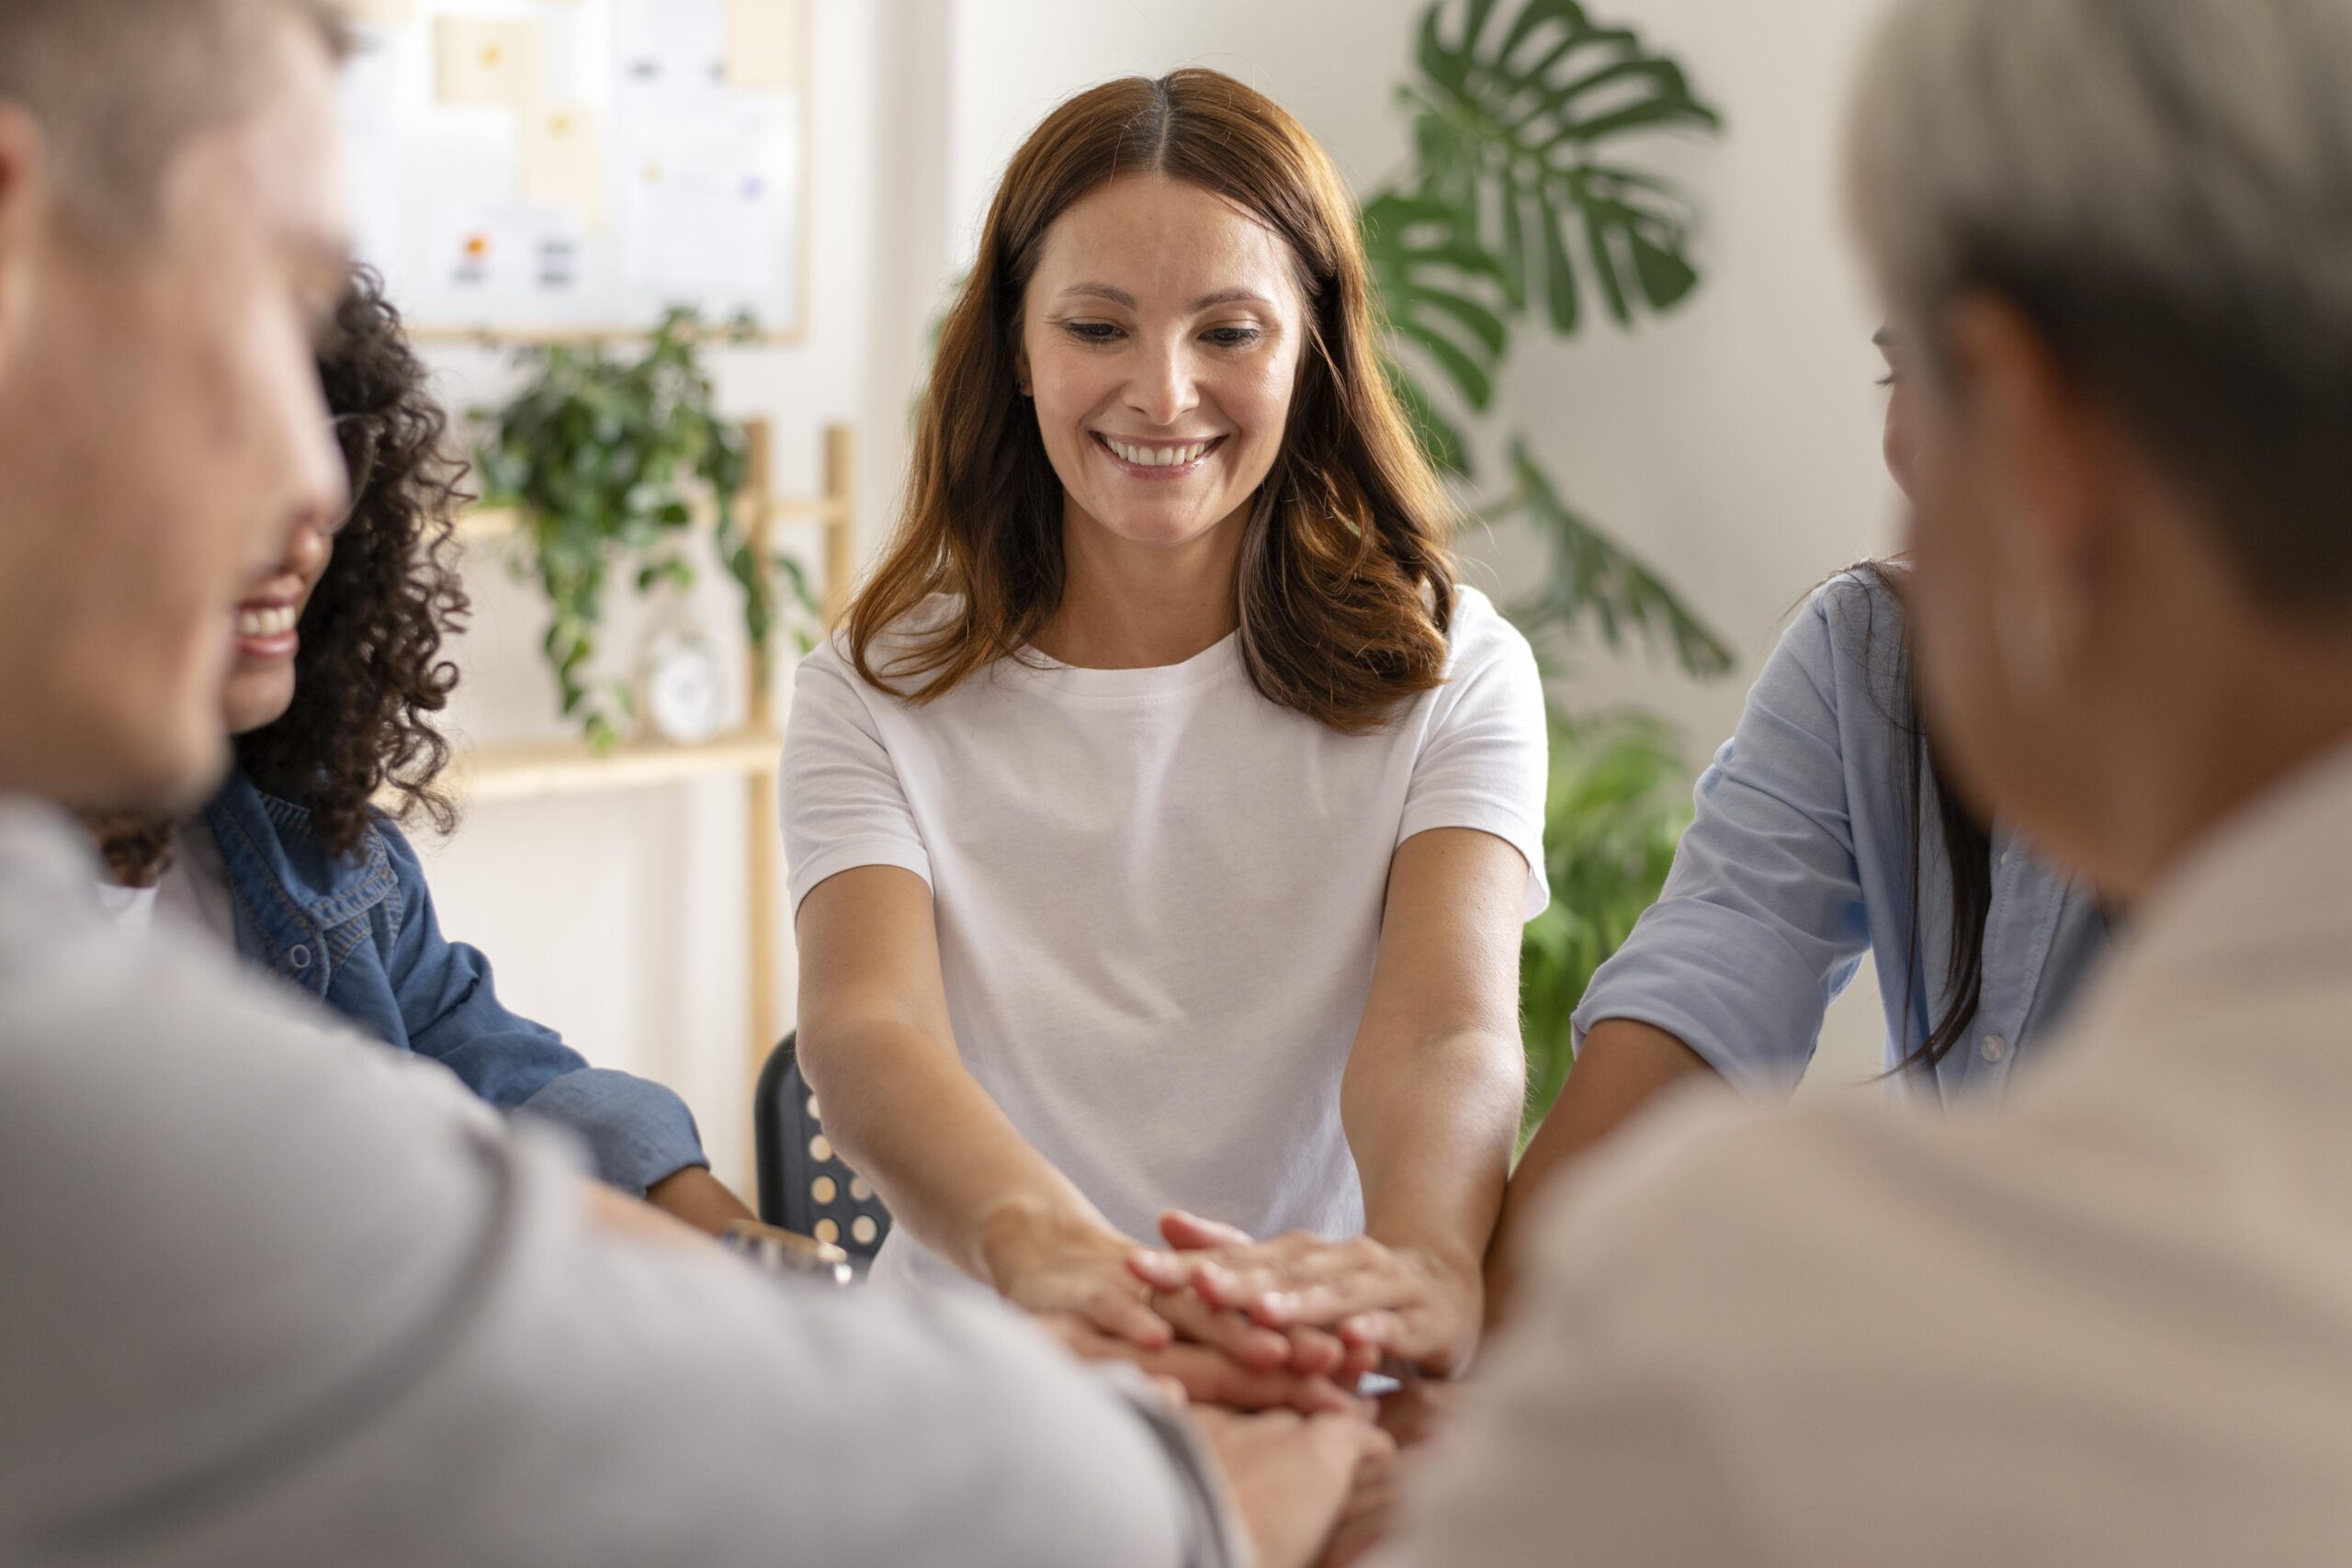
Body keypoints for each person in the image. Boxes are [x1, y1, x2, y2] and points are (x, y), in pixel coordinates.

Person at [0, 5, 1383, 1564]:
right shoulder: (62, 1054)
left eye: (1229, 329)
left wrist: (767, 1267)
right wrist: (1168, 1478)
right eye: (254, 307)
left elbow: (485, 1106)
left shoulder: (306, 864)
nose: (315, 481)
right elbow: (471, 1301)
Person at [1363, 0, 2352, 1561]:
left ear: (2024, 424)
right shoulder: (1867, 666)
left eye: (1921, 368)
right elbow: (1692, 1008)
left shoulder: (1786, 1330)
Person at [782, 68, 1547, 1390]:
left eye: (1229, 332)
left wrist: (1423, 1261)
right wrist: (1049, 1251)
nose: (1163, 390)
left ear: (1312, 348)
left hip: (1305, 1370)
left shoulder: (1452, 670)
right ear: (1016, 346)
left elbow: (1443, 1032)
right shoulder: (871, 686)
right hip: (980, 1384)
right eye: (1097, 325)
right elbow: (868, 1026)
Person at [86, 268, 752, 1235]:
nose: (310, 514)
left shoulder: (298, 831)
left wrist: (736, 1242)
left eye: (327, 450)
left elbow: (474, 1054)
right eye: (231, 447)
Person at [1480, 339, 2115, 1314]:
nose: (1911, 446)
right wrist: (1457, 1374)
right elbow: (1704, 990)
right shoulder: (1872, 652)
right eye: (1906, 368)